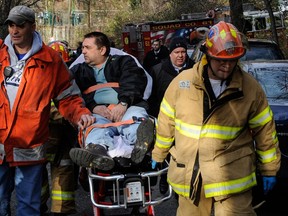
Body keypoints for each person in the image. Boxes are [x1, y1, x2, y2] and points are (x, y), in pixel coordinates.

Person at [152, 21, 280, 215]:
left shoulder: (250, 88)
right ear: (208, 55)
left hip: (232, 175)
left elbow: (265, 130)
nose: (227, 66)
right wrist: (158, 154)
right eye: (221, 60)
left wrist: (269, 168)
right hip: (192, 174)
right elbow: (166, 121)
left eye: (232, 60)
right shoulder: (182, 84)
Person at [0, 5, 95, 216]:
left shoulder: (51, 60)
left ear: (33, 27)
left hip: (29, 143)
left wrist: (80, 114)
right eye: (11, 25)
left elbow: (67, 96)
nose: (14, 31)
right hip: (0, 142)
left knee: (29, 207)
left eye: (20, 26)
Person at [69, 31, 154, 171]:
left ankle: (140, 144)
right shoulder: (78, 71)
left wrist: (123, 103)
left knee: (135, 119)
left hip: (128, 106)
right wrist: (93, 107)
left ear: (102, 50)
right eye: (83, 48)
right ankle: (98, 152)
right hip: (98, 112)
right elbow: (72, 93)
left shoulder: (123, 62)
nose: (83, 51)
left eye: (87, 48)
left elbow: (134, 81)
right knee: (93, 126)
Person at [148, 36, 194, 195]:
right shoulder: (157, 70)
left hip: (188, 123)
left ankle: (181, 186)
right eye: (177, 52)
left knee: (184, 155)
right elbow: (152, 97)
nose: (180, 55)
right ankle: (164, 178)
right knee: (166, 152)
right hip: (165, 120)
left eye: (183, 52)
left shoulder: (194, 70)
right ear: (170, 54)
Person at [40, 41, 79, 215]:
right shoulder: (65, 73)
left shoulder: (40, 71)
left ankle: (39, 205)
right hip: (54, 133)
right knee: (62, 169)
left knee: (38, 171)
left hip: (45, 136)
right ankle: (62, 209)